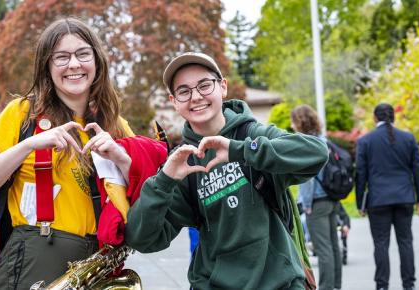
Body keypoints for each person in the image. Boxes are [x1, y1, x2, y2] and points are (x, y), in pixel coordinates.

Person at [125, 52, 328, 289]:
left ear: (222, 87)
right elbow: (143, 239)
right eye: (184, 91)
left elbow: (316, 153)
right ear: (174, 101)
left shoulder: (252, 135)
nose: (196, 96)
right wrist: (163, 181)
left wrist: (240, 150)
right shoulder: (181, 162)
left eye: (204, 85)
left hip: (279, 282)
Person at [0, 17, 135, 289]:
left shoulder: (117, 125)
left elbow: (141, 196)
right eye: (61, 57)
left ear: (97, 61)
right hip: (34, 256)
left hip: (97, 264)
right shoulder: (22, 113)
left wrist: (124, 160)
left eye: (82, 54)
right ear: (47, 67)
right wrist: (29, 145)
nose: (74, 64)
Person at [355, 103, 419, 290]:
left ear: (375, 118)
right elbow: (418, 171)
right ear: (393, 117)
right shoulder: (408, 138)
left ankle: (382, 286)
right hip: (404, 198)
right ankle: (409, 285)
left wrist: (360, 202)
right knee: (406, 242)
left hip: (378, 200)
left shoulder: (366, 141)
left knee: (380, 244)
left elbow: (361, 174)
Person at [290, 105, 342, 290]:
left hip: (316, 203)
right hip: (331, 199)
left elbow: (307, 178)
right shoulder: (322, 140)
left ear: (299, 121)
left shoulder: (305, 143)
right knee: (333, 245)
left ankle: (327, 287)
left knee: (323, 248)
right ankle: (336, 285)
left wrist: (307, 204)